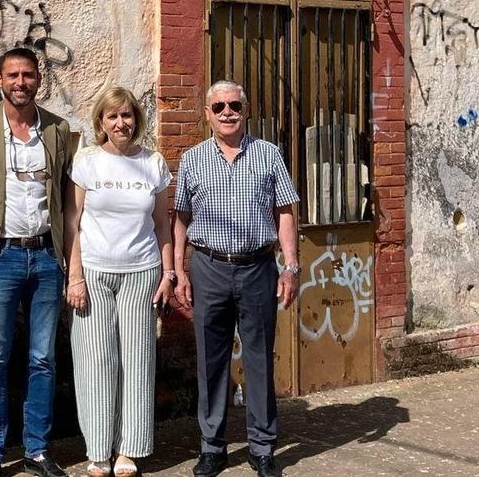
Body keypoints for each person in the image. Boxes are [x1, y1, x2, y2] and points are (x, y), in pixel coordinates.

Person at [0, 47, 72, 477]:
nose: (20, 82)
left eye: (28, 75)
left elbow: (66, 194)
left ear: (40, 78)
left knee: (43, 358)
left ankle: (38, 449)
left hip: (45, 256)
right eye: (12, 75)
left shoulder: (58, 130)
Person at [172, 80, 301, 477]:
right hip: (208, 267)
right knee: (211, 361)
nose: (227, 112)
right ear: (207, 114)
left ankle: (262, 447)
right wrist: (178, 270)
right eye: (219, 107)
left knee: (259, 357)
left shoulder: (268, 155)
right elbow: (180, 218)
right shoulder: (192, 159)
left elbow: (285, 211)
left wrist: (291, 265)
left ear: (246, 110)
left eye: (234, 105)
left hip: (258, 268)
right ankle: (212, 446)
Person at [63, 87, 176, 477]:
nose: (120, 123)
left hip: (141, 273)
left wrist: (168, 273)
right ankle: (98, 449)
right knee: (96, 361)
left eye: (126, 115)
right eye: (112, 116)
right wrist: (74, 276)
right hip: (93, 272)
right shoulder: (87, 162)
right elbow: (72, 223)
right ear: (101, 122)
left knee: (138, 360)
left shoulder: (154, 163)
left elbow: (162, 224)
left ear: (136, 119)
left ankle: (130, 447)